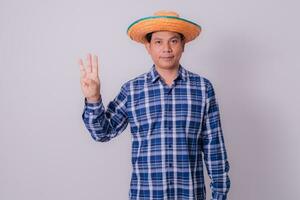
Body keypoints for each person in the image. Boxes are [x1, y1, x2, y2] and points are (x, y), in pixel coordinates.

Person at [79, 10, 230, 200]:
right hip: (146, 194)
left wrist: (220, 194)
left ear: (183, 45)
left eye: (173, 41)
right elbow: (102, 133)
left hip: (190, 194)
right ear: (148, 47)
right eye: (158, 42)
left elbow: (214, 147)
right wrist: (93, 98)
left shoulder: (202, 88)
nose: (166, 48)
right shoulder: (132, 90)